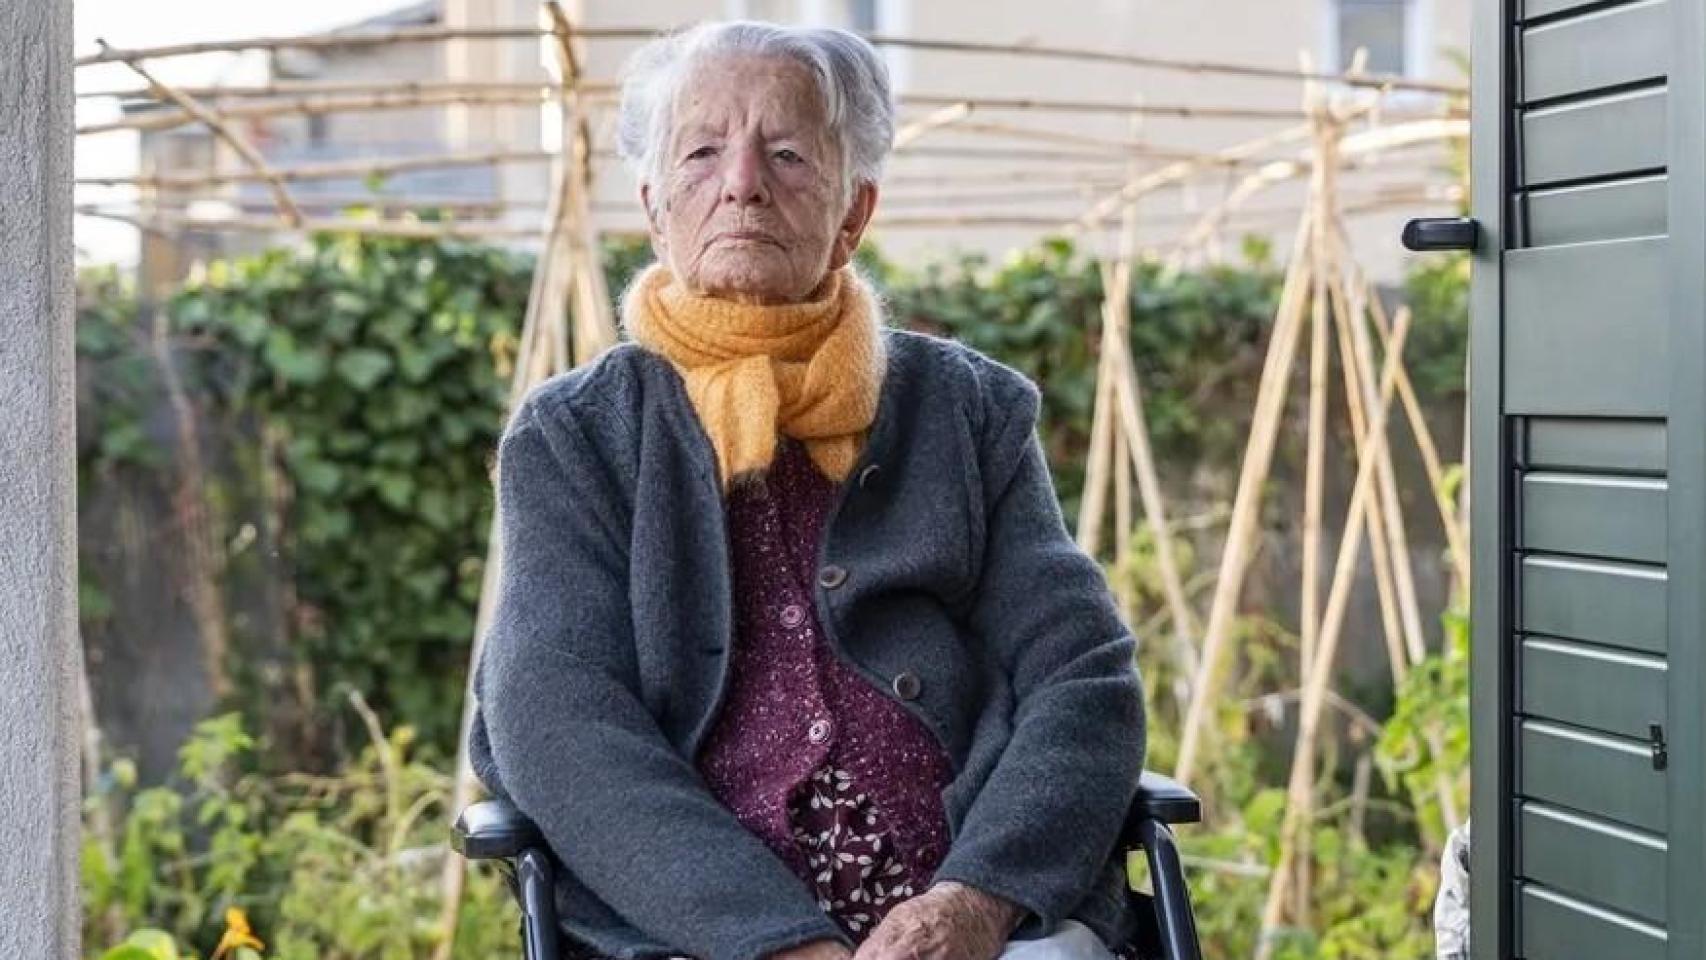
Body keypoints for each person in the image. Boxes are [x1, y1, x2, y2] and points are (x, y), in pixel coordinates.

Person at [467, 20, 1149, 960]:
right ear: (655, 208)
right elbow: (555, 718)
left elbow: (1082, 675)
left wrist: (978, 898)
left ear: (853, 213)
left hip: (976, 931)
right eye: (701, 153)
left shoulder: (964, 411)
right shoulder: (578, 437)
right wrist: (777, 941)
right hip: (691, 935)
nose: (741, 181)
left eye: (786, 152)